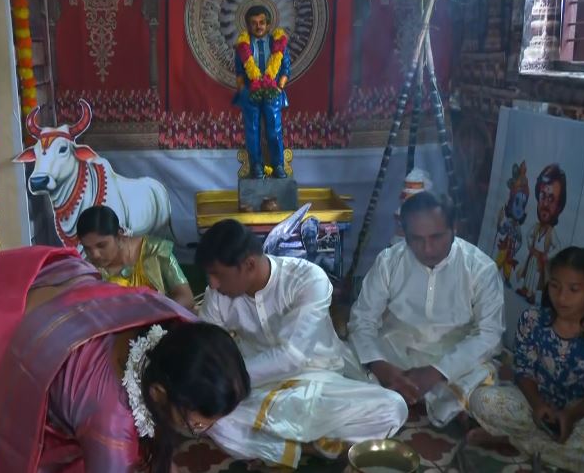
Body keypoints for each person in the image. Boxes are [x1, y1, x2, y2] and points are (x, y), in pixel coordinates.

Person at [0, 246, 250, 473]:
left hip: (16, 297)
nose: (208, 431)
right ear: (159, 393)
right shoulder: (109, 421)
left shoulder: (173, 324)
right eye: (197, 425)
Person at [197, 220, 407, 468]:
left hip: (319, 379)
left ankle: (278, 446)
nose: (212, 284)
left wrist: (228, 381)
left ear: (249, 265)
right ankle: (314, 447)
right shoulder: (217, 297)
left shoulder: (307, 279)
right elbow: (207, 349)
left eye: (218, 274)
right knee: (211, 420)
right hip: (260, 388)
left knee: (393, 408)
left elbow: (291, 356)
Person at [348, 191, 504, 427]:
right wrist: (381, 367)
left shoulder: (480, 268)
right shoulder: (389, 262)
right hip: (396, 354)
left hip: (453, 360)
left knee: (485, 387)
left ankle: (413, 398)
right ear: (405, 234)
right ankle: (432, 401)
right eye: (417, 239)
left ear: (454, 228)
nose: (428, 249)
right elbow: (362, 320)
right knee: (336, 358)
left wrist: (436, 372)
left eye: (436, 237)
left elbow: (489, 334)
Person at [469, 247, 584, 473]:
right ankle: (554, 450)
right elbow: (524, 371)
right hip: (533, 407)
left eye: (574, 289)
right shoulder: (533, 320)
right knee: (482, 400)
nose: (562, 297)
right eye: (555, 286)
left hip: (581, 417)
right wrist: (538, 405)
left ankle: (516, 440)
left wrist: (571, 416)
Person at [77, 205, 195, 310]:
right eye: (87, 248)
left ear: (119, 235)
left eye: (102, 245)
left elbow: (186, 297)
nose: (95, 255)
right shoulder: (89, 271)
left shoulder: (154, 250)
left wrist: (155, 317)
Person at [233, 5, 291, 179]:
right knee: (252, 130)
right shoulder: (242, 46)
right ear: (248, 25)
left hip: (273, 92)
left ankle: (278, 165)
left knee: (275, 129)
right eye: (254, 23)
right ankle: (256, 165)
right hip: (251, 93)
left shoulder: (278, 44)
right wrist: (243, 90)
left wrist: (279, 87)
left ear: (268, 24)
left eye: (262, 22)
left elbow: (286, 69)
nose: (258, 26)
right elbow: (239, 72)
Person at [516, 164, 567, 302]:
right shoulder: (536, 227)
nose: (545, 204)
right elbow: (528, 236)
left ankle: (531, 294)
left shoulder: (551, 233)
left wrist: (546, 256)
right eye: (543, 196)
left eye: (551, 199)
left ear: (559, 207)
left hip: (540, 261)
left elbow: (558, 247)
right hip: (533, 257)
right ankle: (525, 289)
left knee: (536, 277)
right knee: (529, 273)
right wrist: (530, 247)